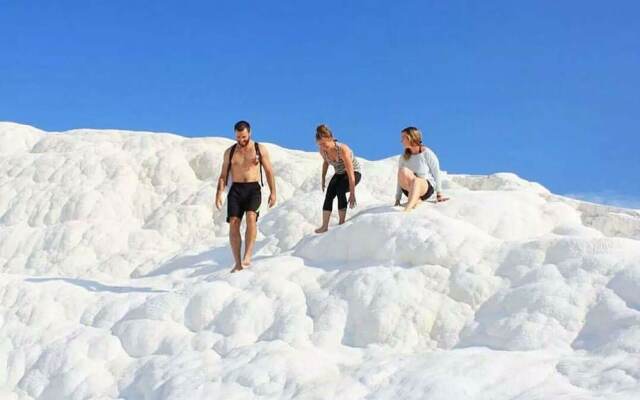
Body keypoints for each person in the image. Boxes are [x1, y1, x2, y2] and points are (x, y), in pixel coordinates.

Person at [215, 121, 276, 272]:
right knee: (234, 223)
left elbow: (268, 171)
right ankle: (237, 262)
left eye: (243, 137)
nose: (241, 140)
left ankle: (248, 255)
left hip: (253, 189)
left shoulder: (259, 149)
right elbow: (223, 175)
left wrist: (273, 192)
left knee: (250, 217)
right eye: (238, 137)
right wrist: (218, 193)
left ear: (250, 133)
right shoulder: (230, 152)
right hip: (236, 190)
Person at [315, 124, 362, 233]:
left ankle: (341, 222)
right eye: (320, 144)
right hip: (340, 173)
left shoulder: (342, 149)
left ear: (331, 139)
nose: (322, 147)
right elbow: (326, 162)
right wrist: (323, 177)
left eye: (324, 143)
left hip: (354, 173)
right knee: (329, 194)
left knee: (340, 189)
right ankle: (324, 226)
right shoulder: (322, 151)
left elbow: (350, 172)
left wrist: (352, 193)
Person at [395, 126, 448, 211]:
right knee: (403, 171)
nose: (401, 141)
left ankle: (408, 208)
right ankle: (416, 199)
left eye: (403, 138)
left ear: (411, 138)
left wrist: (439, 194)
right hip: (409, 189)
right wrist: (398, 199)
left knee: (416, 181)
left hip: (425, 188)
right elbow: (399, 179)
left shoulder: (427, 153)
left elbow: (436, 173)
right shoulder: (403, 157)